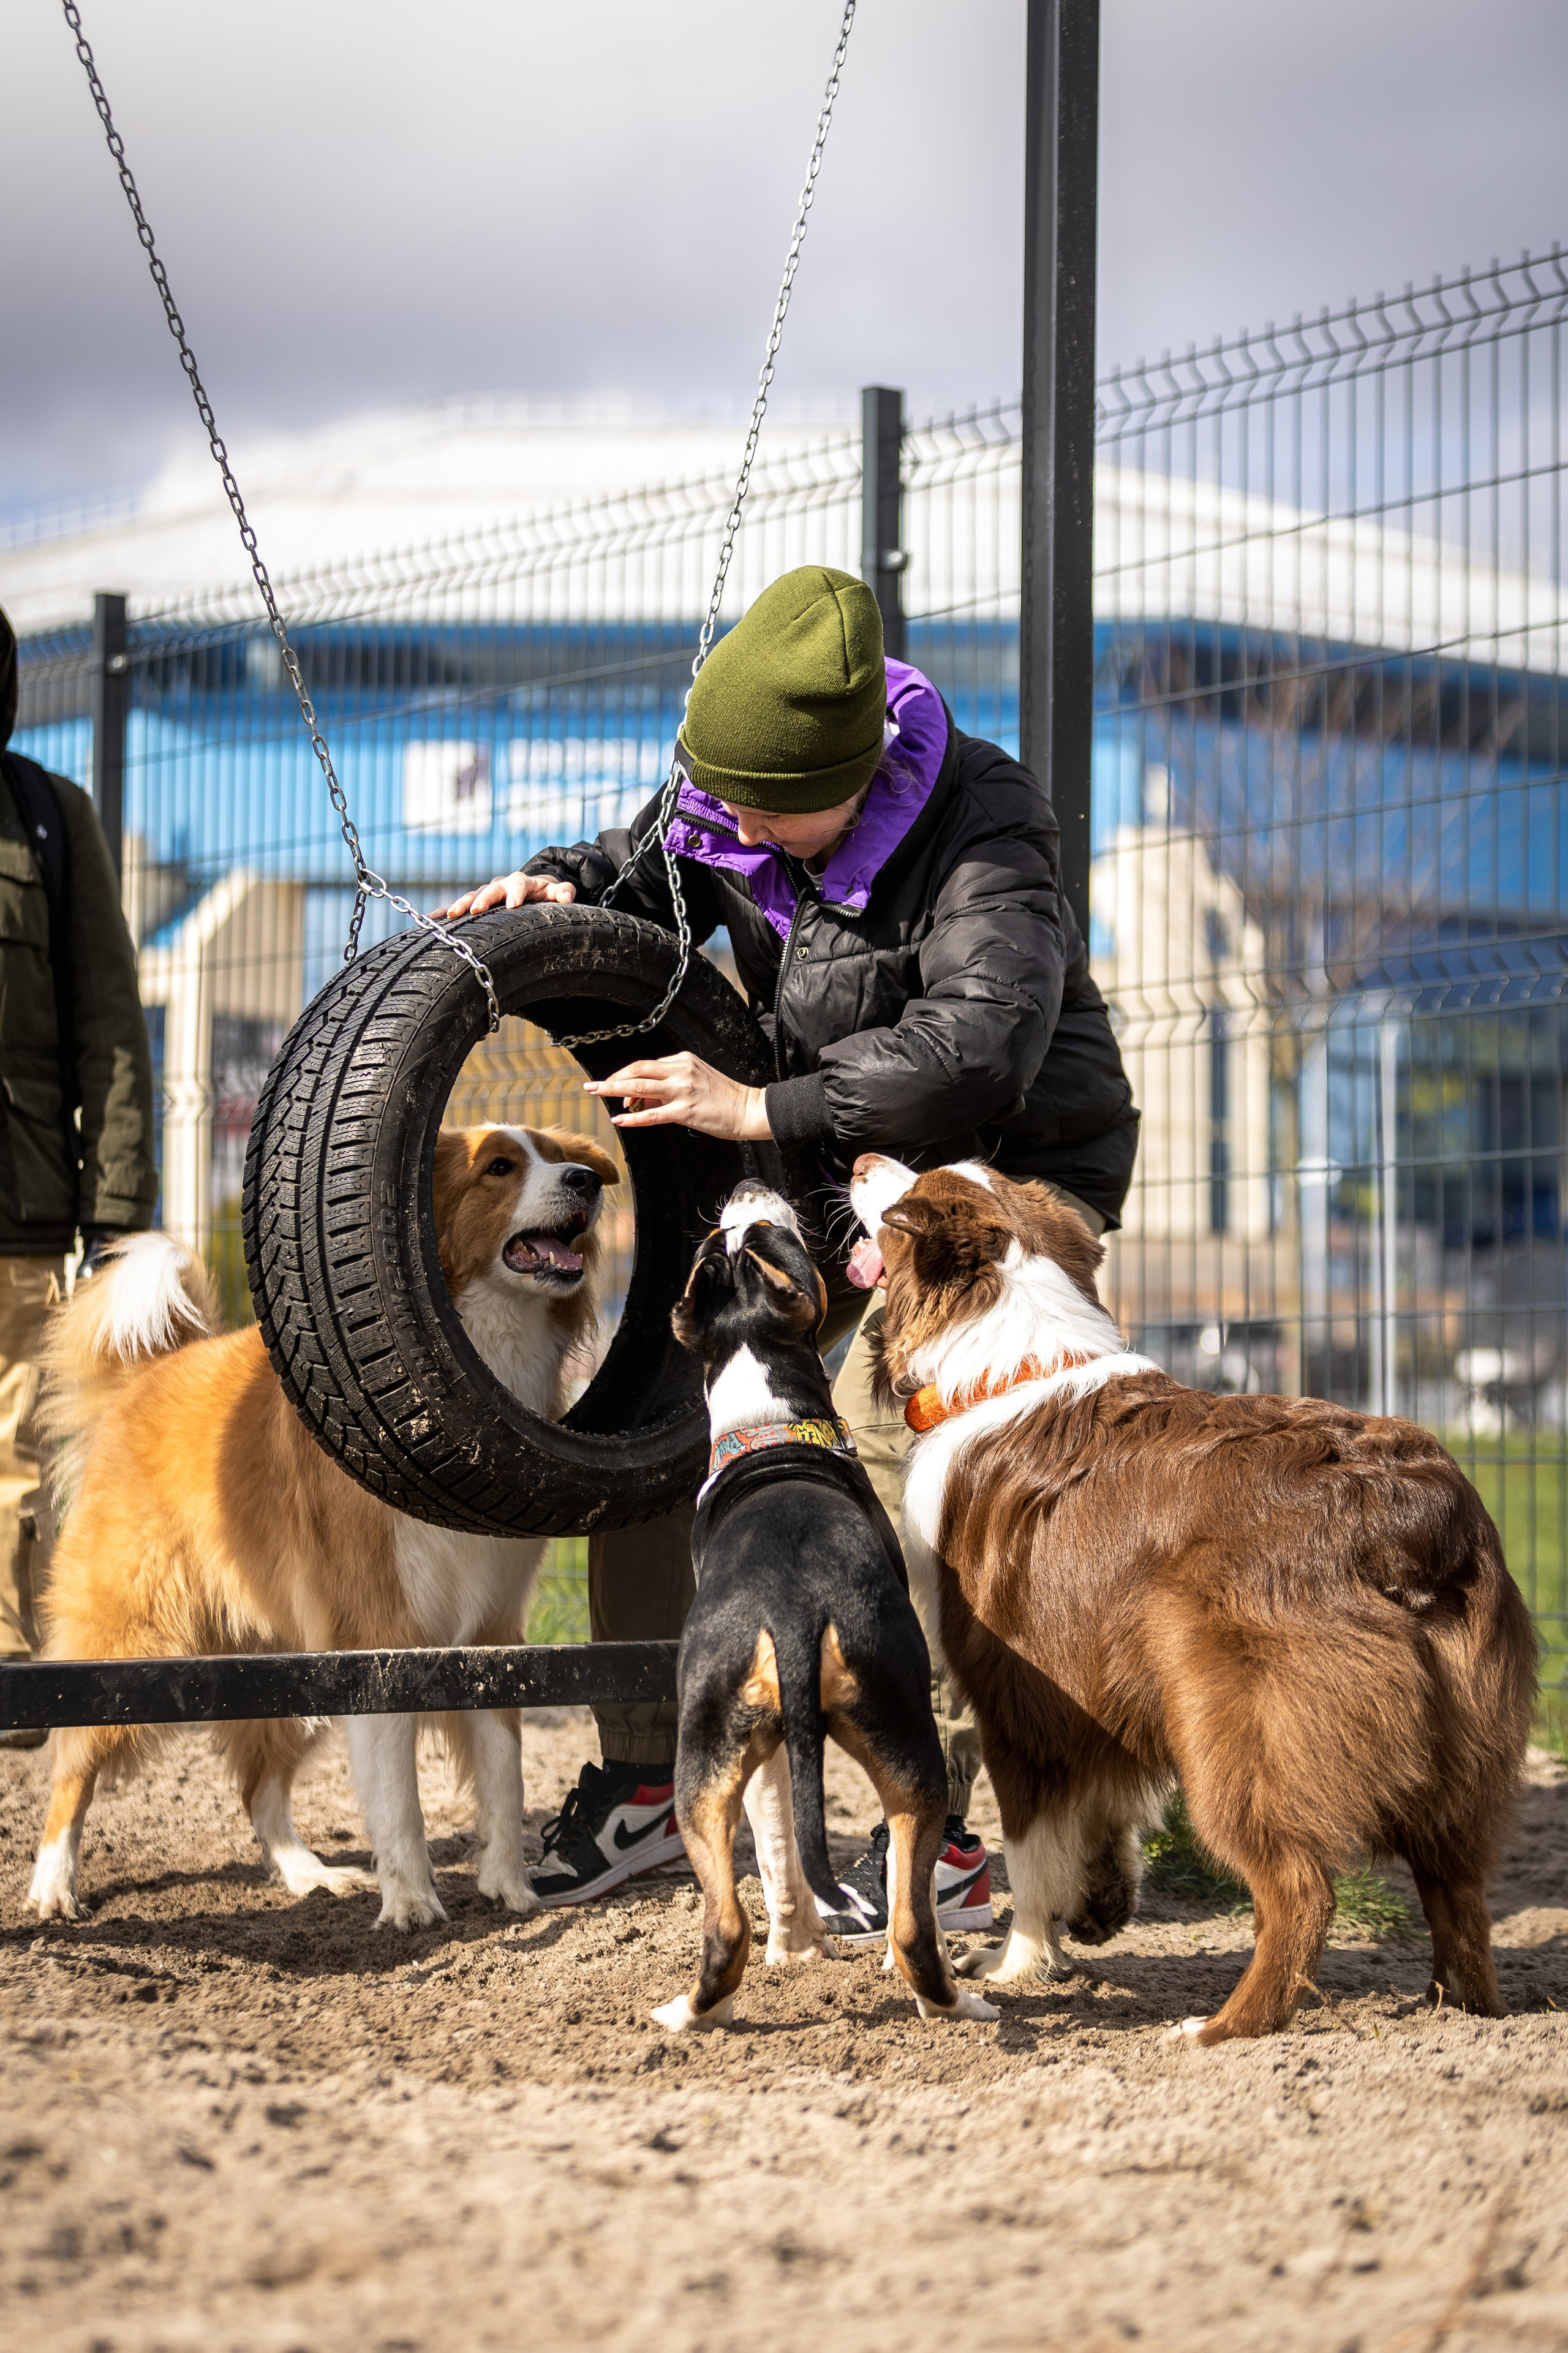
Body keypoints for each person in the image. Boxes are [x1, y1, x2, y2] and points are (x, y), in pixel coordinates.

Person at [442, 564, 1138, 1933]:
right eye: (721, 797)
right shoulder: (731, 788)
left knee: (905, 1457)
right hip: (818, 1158)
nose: (732, 824)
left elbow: (977, 1043)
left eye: (765, 808)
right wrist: (569, 881)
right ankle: (655, 1771)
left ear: (858, 770)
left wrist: (758, 1105)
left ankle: (946, 1814)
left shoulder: (983, 829)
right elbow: (650, 872)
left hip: (990, 1180)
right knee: (671, 1425)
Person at [0, 606, 158, 1683]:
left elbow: (109, 1029)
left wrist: (117, 1220)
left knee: (11, 1457)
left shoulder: (49, 819)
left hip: (15, 1211)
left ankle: (11, 1666)